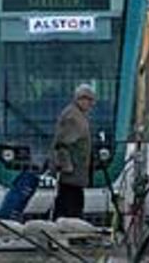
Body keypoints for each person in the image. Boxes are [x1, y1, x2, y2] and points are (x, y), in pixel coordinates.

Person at [49, 84, 96, 219]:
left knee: (69, 203)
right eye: (89, 100)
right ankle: (70, 234)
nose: (91, 105)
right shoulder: (73, 117)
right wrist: (66, 166)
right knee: (71, 205)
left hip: (75, 173)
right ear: (81, 99)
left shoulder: (78, 115)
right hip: (71, 173)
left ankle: (67, 231)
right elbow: (61, 144)